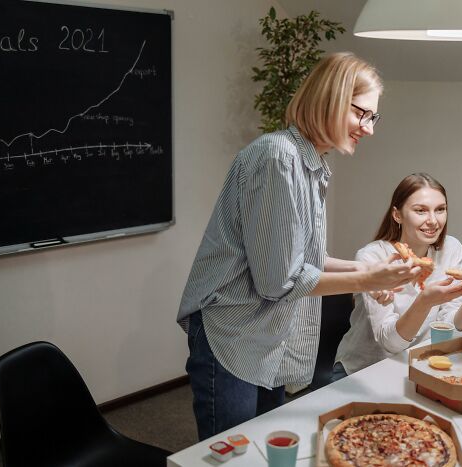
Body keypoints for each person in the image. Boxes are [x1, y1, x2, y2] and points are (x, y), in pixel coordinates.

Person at [177, 52, 425, 440]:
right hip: (234, 335)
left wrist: (370, 272)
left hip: (267, 336)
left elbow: (307, 259)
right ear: (332, 99)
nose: (369, 128)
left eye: (373, 117)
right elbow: (279, 281)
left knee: (265, 448)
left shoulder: (310, 163)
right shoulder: (278, 157)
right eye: (363, 114)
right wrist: (366, 279)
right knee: (231, 456)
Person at [332, 173, 462, 381]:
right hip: (363, 371)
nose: (433, 221)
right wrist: (424, 301)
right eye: (420, 211)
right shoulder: (374, 257)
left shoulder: (451, 249)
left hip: (417, 368)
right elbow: (389, 343)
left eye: (440, 210)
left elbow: (451, 330)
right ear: (397, 215)